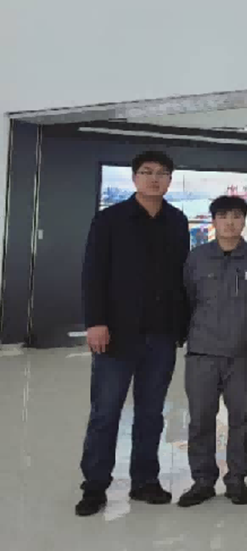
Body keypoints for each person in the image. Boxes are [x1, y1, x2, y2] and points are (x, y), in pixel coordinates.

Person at [76, 151, 190, 517]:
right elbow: (93, 273)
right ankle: (95, 486)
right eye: (147, 172)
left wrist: (182, 326)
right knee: (106, 412)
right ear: (134, 177)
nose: (154, 178)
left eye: (162, 173)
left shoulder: (177, 221)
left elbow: (181, 278)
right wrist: (95, 321)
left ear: (170, 180)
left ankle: (145, 481)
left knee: (151, 412)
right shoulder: (110, 220)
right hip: (116, 333)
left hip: (161, 334)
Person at [178, 196, 247, 508]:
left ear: (244, 220)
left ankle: (237, 480)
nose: (230, 222)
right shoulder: (197, 258)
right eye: (223, 216)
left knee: (241, 419)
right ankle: (202, 481)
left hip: (243, 355)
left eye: (236, 216)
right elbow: (187, 300)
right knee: (201, 419)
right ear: (213, 221)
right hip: (202, 353)